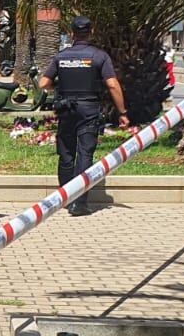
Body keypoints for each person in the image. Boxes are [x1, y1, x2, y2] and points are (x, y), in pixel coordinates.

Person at [39, 16, 130, 216]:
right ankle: (79, 203)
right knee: (85, 154)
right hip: (89, 109)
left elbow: (43, 83)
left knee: (66, 154)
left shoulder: (61, 57)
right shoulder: (99, 56)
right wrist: (122, 113)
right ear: (91, 33)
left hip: (66, 109)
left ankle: (64, 198)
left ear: (71, 34)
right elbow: (113, 84)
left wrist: (60, 87)